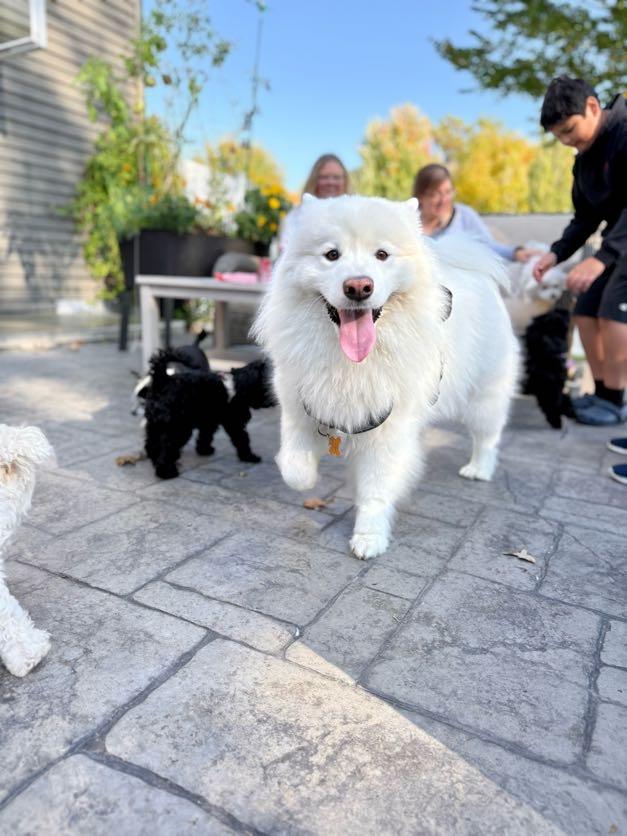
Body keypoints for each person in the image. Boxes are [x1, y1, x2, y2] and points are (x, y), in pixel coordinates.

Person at [533, 77, 627, 430]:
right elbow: (585, 217)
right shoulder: (584, 160)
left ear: (592, 106)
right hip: (619, 242)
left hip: (620, 244)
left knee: (613, 312)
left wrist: (601, 258)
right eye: (560, 137)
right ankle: (604, 393)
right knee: (586, 308)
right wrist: (555, 254)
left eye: (570, 130)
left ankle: (617, 400)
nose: (567, 141)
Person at [413, 164, 540, 263]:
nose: (444, 200)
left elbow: (487, 246)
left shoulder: (464, 215)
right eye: (435, 194)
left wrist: (516, 253)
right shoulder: (409, 220)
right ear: (420, 196)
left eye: (448, 192)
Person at [279, 154, 350, 249]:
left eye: (336, 177)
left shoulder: (355, 213)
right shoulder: (297, 216)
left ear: (345, 181)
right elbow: (286, 251)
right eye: (324, 177)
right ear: (314, 180)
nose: (331, 182)